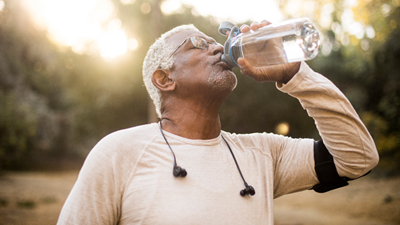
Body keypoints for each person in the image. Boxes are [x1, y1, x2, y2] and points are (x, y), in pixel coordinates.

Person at [57, 20, 379, 225]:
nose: (215, 46)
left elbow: (358, 157)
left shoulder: (263, 154)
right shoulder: (119, 153)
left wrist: (296, 75)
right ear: (164, 79)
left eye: (214, 40)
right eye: (197, 44)